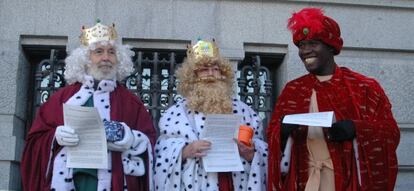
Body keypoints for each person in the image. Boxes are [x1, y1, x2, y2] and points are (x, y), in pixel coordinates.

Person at [267, 8, 400, 191]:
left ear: (331, 46)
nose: (305, 51)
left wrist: (356, 128)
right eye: (301, 45)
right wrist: (282, 132)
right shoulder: (293, 90)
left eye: (312, 44)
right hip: (304, 182)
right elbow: (271, 136)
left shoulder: (364, 88)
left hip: (346, 181)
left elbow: (390, 133)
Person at [21, 21, 157, 191]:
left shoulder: (131, 102)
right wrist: (54, 137)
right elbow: (34, 142)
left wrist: (127, 136)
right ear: (85, 59)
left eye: (111, 52)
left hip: (115, 181)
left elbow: (150, 142)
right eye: (98, 52)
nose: (106, 58)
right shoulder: (62, 98)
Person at [154, 40, 268, 190]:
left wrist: (250, 153)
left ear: (223, 74)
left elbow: (263, 150)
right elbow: (161, 152)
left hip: (235, 183)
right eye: (204, 69)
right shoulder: (176, 113)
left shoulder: (244, 111)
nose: (211, 74)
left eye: (216, 69)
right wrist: (185, 151)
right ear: (192, 76)